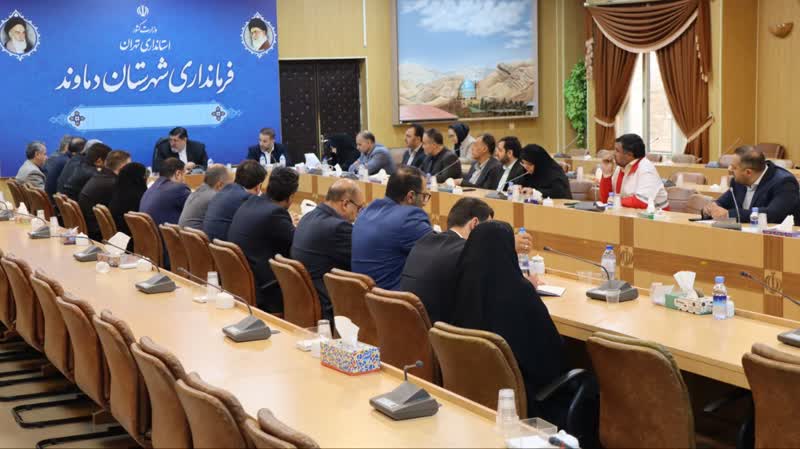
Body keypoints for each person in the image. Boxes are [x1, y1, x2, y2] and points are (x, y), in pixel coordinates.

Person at [451, 220, 564, 419]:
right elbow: (553, 353)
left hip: (472, 396)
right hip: (523, 399)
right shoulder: (520, 292)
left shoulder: (459, 284)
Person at [399, 198, 494, 324]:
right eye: (489, 229)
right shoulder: (466, 251)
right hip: (439, 331)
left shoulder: (424, 241)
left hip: (407, 325)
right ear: (474, 224)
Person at [292, 179, 364, 321]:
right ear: (345, 204)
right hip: (329, 306)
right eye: (359, 208)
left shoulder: (307, 217)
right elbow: (361, 264)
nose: (359, 213)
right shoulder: (339, 228)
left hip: (305, 302)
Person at [228, 167, 299, 313]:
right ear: (291, 197)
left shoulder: (251, 201)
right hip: (265, 291)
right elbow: (299, 245)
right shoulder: (275, 213)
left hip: (241, 283)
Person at [352, 166, 432, 290]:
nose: (424, 202)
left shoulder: (366, 211)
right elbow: (439, 252)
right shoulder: (409, 218)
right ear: (411, 196)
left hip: (362, 297)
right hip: (390, 299)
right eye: (424, 196)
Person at [704, 146, 800, 224]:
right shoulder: (739, 181)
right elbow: (723, 202)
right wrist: (712, 208)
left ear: (748, 172)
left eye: (734, 167)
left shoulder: (784, 182)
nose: (729, 169)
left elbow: (773, 214)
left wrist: (729, 214)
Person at [203, 160, 266, 242]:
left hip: (212, 246)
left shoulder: (222, 192)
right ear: (258, 187)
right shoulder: (247, 199)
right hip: (226, 247)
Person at [599, 134, 668, 209]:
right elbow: (606, 200)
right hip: (628, 213)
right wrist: (606, 175)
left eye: (617, 151)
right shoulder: (621, 167)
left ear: (629, 154)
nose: (613, 154)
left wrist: (615, 201)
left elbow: (641, 202)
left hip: (657, 215)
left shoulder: (646, 169)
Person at [78, 151, 131, 240]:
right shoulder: (114, 184)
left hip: (89, 228)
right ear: (123, 168)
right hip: (99, 234)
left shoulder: (98, 176)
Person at [139, 158, 191, 226]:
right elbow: (196, 210)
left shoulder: (150, 189)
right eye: (184, 175)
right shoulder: (179, 188)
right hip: (166, 232)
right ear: (178, 174)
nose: (185, 180)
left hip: (151, 232)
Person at [178, 165, 231, 230]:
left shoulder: (197, 190)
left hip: (184, 235)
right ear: (220, 185)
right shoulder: (215, 197)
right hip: (198, 235)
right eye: (229, 186)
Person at [109, 163, 148, 244]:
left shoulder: (117, 190)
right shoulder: (138, 196)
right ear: (138, 178)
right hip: (131, 241)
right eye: (144, 176)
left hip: (117, 238)